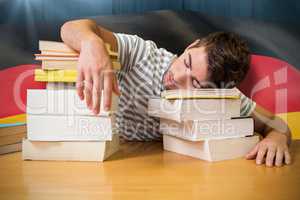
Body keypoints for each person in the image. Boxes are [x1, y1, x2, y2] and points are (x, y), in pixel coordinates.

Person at [60, 19, 292, 167]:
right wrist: (92, 43)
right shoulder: (142, 55)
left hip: (168, 169)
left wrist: (277, 138)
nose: (178, 76)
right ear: (192, 45)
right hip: (112, 155)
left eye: (195, 83)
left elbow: (277, 125)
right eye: (188, 62)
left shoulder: (222, 97)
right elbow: (71, 27)